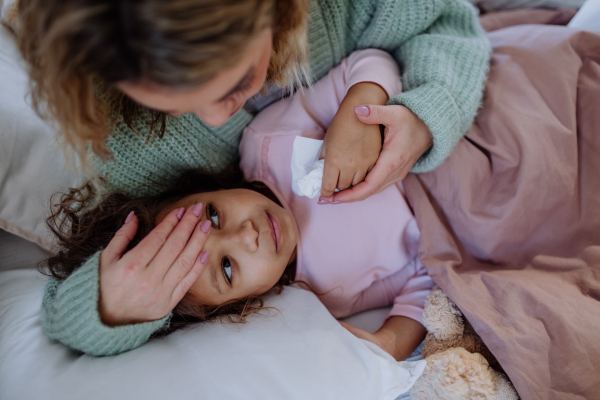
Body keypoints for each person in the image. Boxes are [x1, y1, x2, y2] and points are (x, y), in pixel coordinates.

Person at [23, 0, 490, 355]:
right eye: (171, 100)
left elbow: (444, 23)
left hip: (489, 123)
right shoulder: (119, 138)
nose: (213, 116)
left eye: (236, 79)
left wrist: (425, 114)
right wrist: (111, 307)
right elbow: (67, 298)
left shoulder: (266, 141)